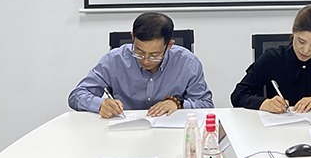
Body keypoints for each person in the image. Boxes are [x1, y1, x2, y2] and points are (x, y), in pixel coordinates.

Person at [68, 12, 214, 118]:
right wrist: (100, 104)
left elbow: (206, 104)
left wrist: (179, 104)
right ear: (132, 37)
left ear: (169, 45)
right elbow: (77, 95)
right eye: (139, 52)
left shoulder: (187, 63)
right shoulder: (115, 60)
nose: (146, 60)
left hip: (171, 132)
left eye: (155, 55)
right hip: (124, 130)